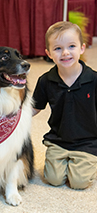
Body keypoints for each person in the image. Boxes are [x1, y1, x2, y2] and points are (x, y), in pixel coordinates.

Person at [32, 21, 97, 190]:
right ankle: (67, 162)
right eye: (58, 48)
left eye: (72, 46)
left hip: (88, 141)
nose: (65, 53)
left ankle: (87, 162)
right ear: (48, 53)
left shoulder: (94, 79)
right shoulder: (45, 80)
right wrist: (10, 117)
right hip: (58, 140)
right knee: (53, 179)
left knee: (79, 183)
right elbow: (35, 107)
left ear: (82, 48)